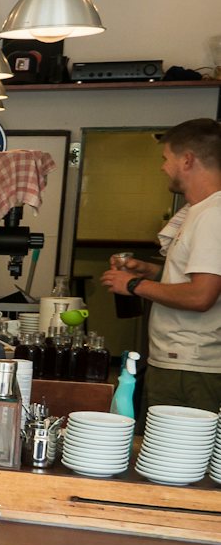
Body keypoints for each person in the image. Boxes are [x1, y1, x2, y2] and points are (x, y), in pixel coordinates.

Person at [100, 119, 221, 412]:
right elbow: (193, 276)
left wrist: (132, 285)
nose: (162, 167)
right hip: (179, 361)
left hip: (193, 367)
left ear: (188, 160)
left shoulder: (213, 214)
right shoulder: (197, 211)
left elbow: (201, 296)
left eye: (166, 158)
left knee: (178, 455)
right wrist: (152, 271)